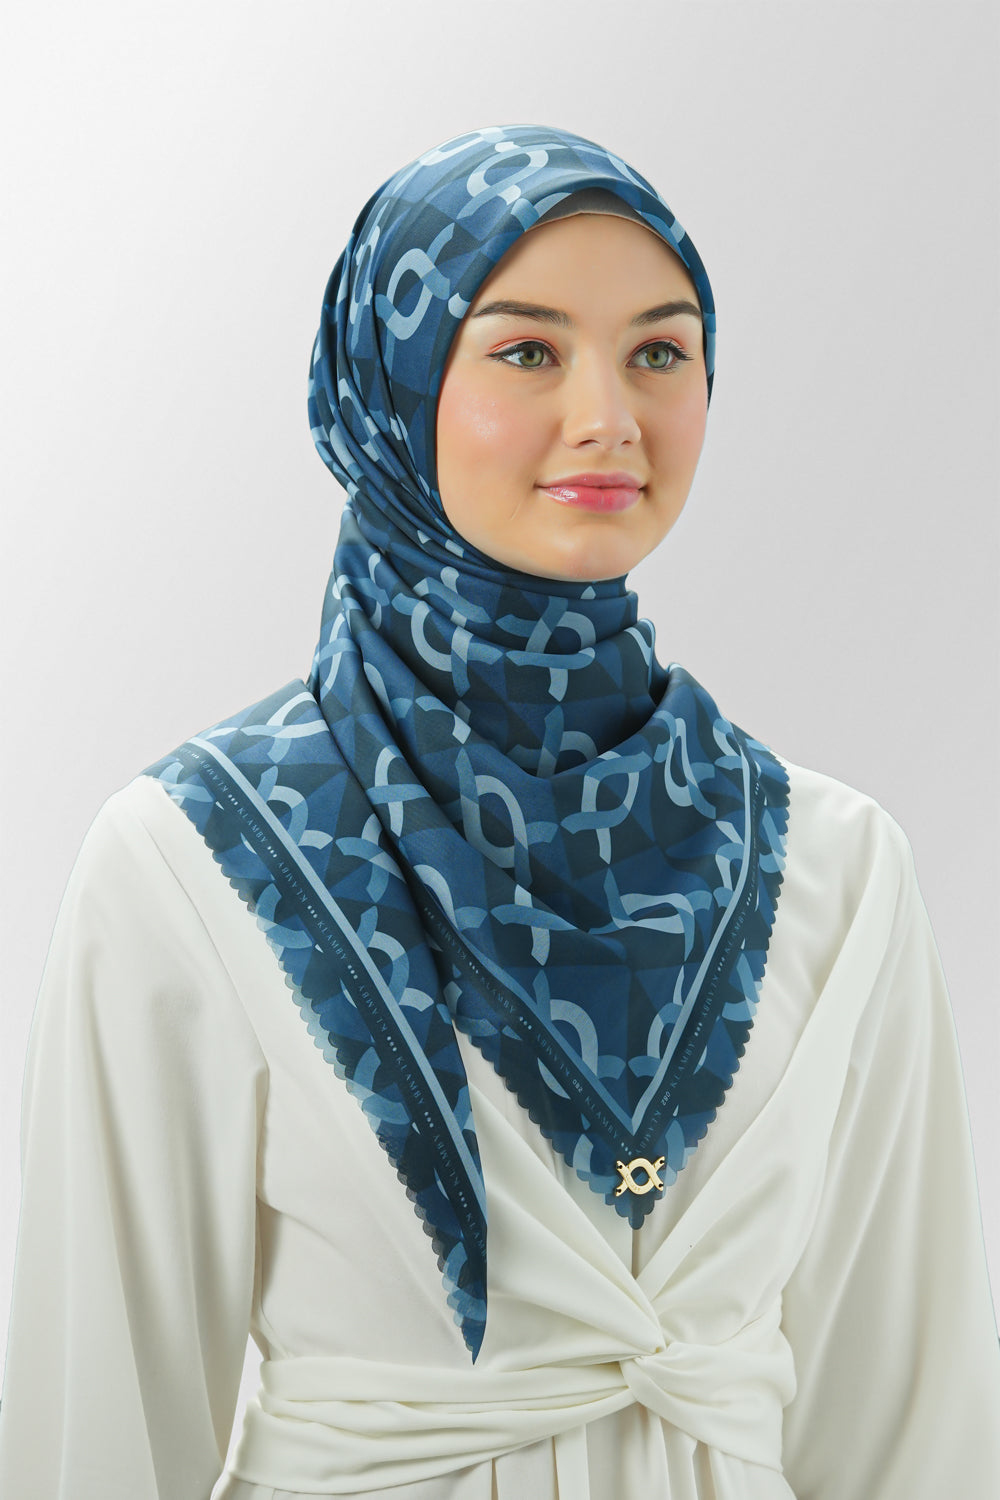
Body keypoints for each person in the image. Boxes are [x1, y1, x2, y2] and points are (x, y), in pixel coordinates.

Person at [1, 122, 998, 1500]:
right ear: (390, 386)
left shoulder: (835, 866)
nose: (609, 418)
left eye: (660, 352)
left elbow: (911, 1431)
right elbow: (99, 1428)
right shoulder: (199, 859)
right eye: (527, 350)